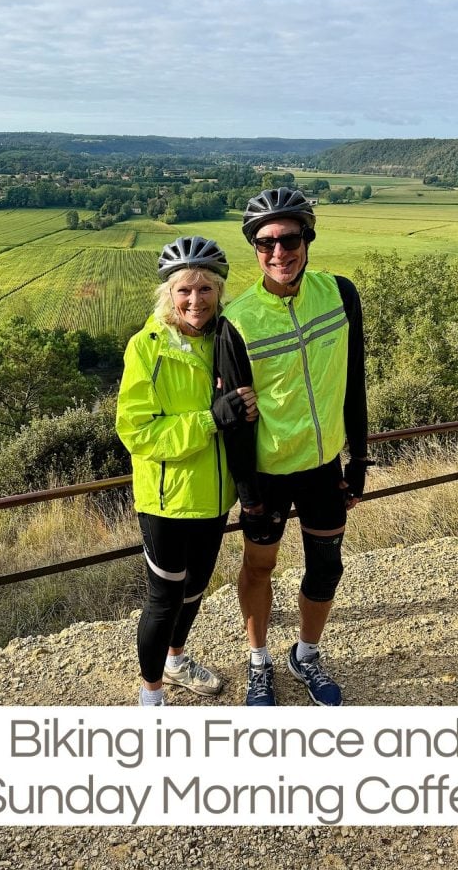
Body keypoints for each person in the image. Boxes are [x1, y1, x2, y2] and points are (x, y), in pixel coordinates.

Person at [215, 187, 370, 707]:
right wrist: (247, 488)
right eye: (265, 243)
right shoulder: (236, 320)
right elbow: (236, 421)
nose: (279, 252)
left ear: (308, 237)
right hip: (269, 475)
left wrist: (360, 459)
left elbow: (356, 384)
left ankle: (305, 653)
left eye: (289, 238)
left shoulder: (341, 294)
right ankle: (258, 660)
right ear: (254, 249)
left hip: (325, 468)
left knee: (327, 567)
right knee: (260, 568)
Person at [116, 235, 257, 707]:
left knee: (195, 590)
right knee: (164, 600)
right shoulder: (146, 348)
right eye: (184, 290)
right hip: (166, 500)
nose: (195, 300)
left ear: (219, 292)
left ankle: (175, 660)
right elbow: (137, 432)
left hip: (216, 499)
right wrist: (209, 419)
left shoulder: (228, 339)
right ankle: (151, 696)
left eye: (205, 290)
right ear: (168, 294)